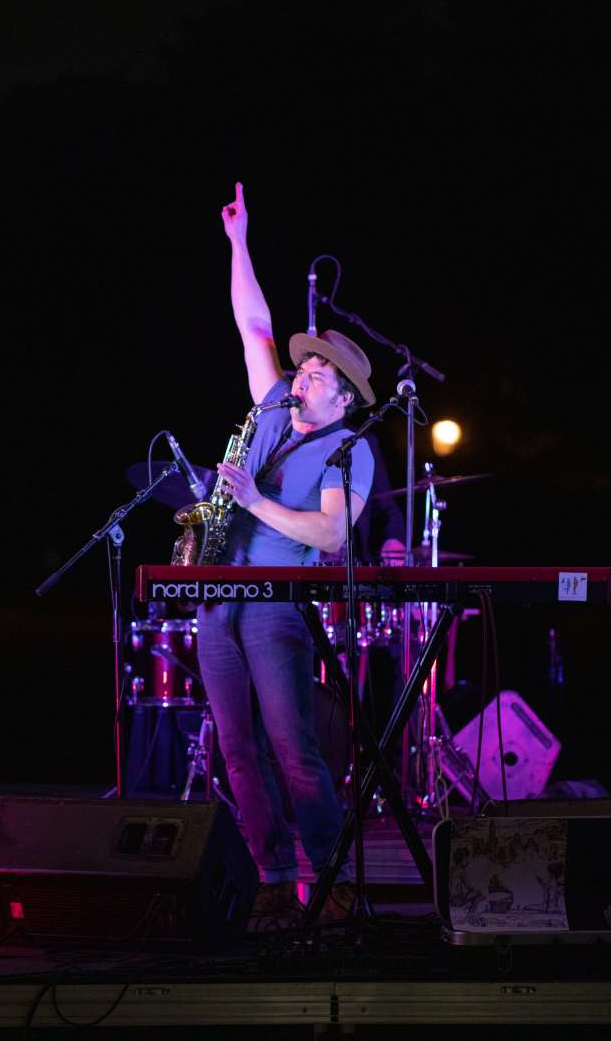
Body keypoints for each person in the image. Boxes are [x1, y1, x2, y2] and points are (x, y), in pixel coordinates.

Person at [200, 183, 377, 921]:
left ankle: (329, 882)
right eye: (304, 368)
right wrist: (239, 243)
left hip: (276, 607)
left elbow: (333, 536)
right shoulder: (271, 408)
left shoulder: (349, 451)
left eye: (319, 375)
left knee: (294, 750)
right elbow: (254, 325)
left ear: (343, 398)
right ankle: (272, 878)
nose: (303, 374)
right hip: (217, 599)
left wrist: (257, 504)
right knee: (237, 751)